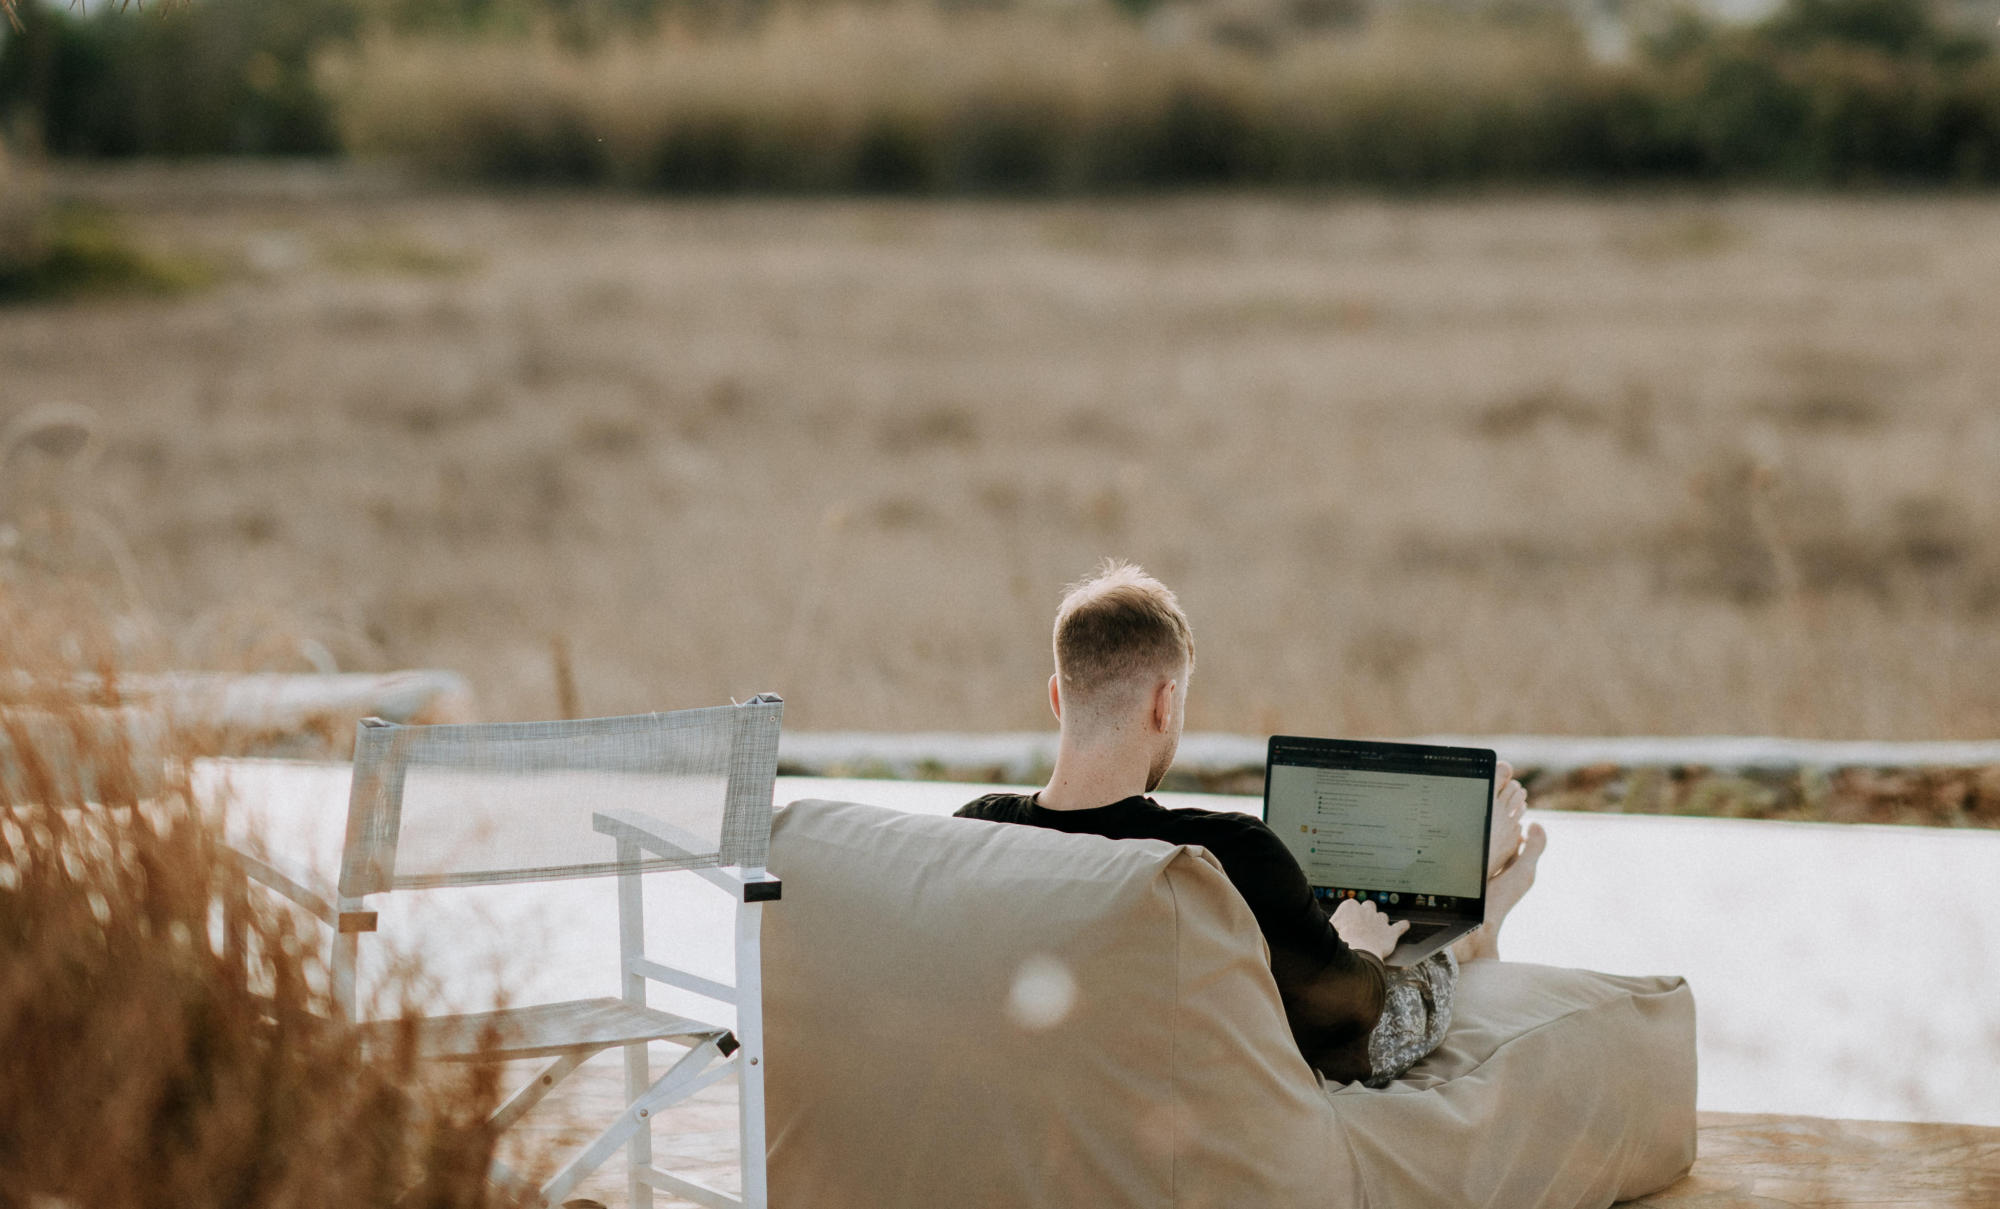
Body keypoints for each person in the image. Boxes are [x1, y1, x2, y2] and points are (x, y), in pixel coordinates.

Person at [956, 561, 1548, 1087]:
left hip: (1058, 1079)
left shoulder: (976, 832)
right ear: (1165, 704)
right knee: (1403, 984)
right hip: (1250, 1054)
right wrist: (1362, 947)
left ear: (1059, 698)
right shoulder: (1224, 854)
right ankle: (1477, 921)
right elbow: (1356, 1034)